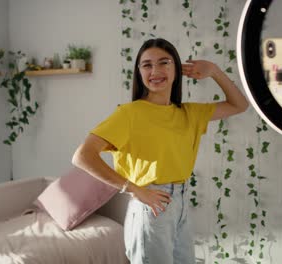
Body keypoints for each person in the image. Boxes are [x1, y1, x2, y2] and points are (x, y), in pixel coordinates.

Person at [72, 38, 249, 264]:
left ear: (176, 68)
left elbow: (239, 105)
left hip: (181, 203)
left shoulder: (189, 113)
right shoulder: (129, 114)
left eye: (164, 62)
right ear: (139, 72)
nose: (155, 71)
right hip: (151, 205)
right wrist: (133, 189)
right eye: (147, 65)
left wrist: (214, 71)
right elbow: (82, 156)